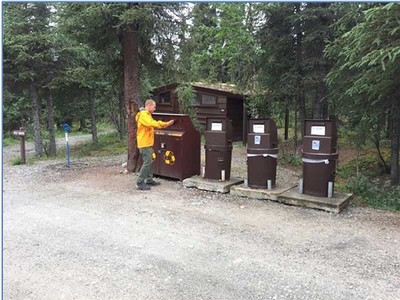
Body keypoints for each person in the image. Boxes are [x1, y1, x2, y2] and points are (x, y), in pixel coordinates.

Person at [135, 99, 174, 190]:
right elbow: (152, 123)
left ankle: (149, 180)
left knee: (150, 159)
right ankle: (139, 182)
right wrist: (166, 124)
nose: (155, 109)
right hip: (144, 143)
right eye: (154, 107)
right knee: (147, 161)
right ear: (149, 106)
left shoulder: (147, 114)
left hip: (147, 142)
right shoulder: (144, 115)